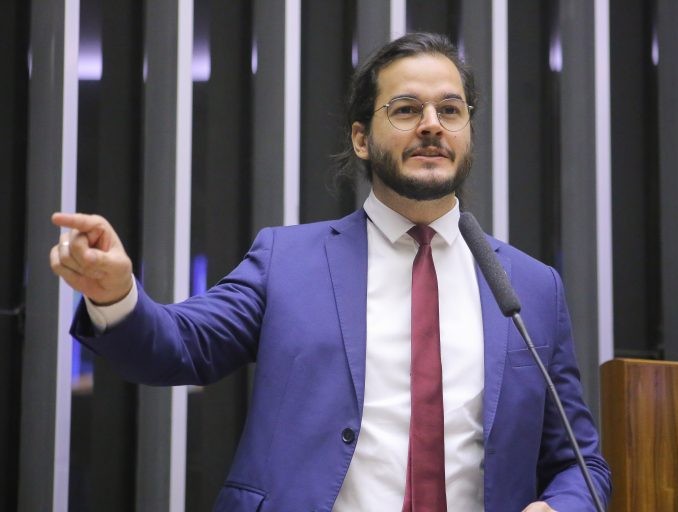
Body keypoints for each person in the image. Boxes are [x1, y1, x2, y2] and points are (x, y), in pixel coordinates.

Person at [50, 33, 610, 511]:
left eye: (451, 110)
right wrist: (118, 295)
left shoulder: (531, 287)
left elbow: (581, 464)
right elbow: (178, 346)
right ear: (362, 137)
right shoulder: (287, 262)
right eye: (408, 109)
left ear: (467, 133)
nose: (432, 125)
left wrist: (564, 506)